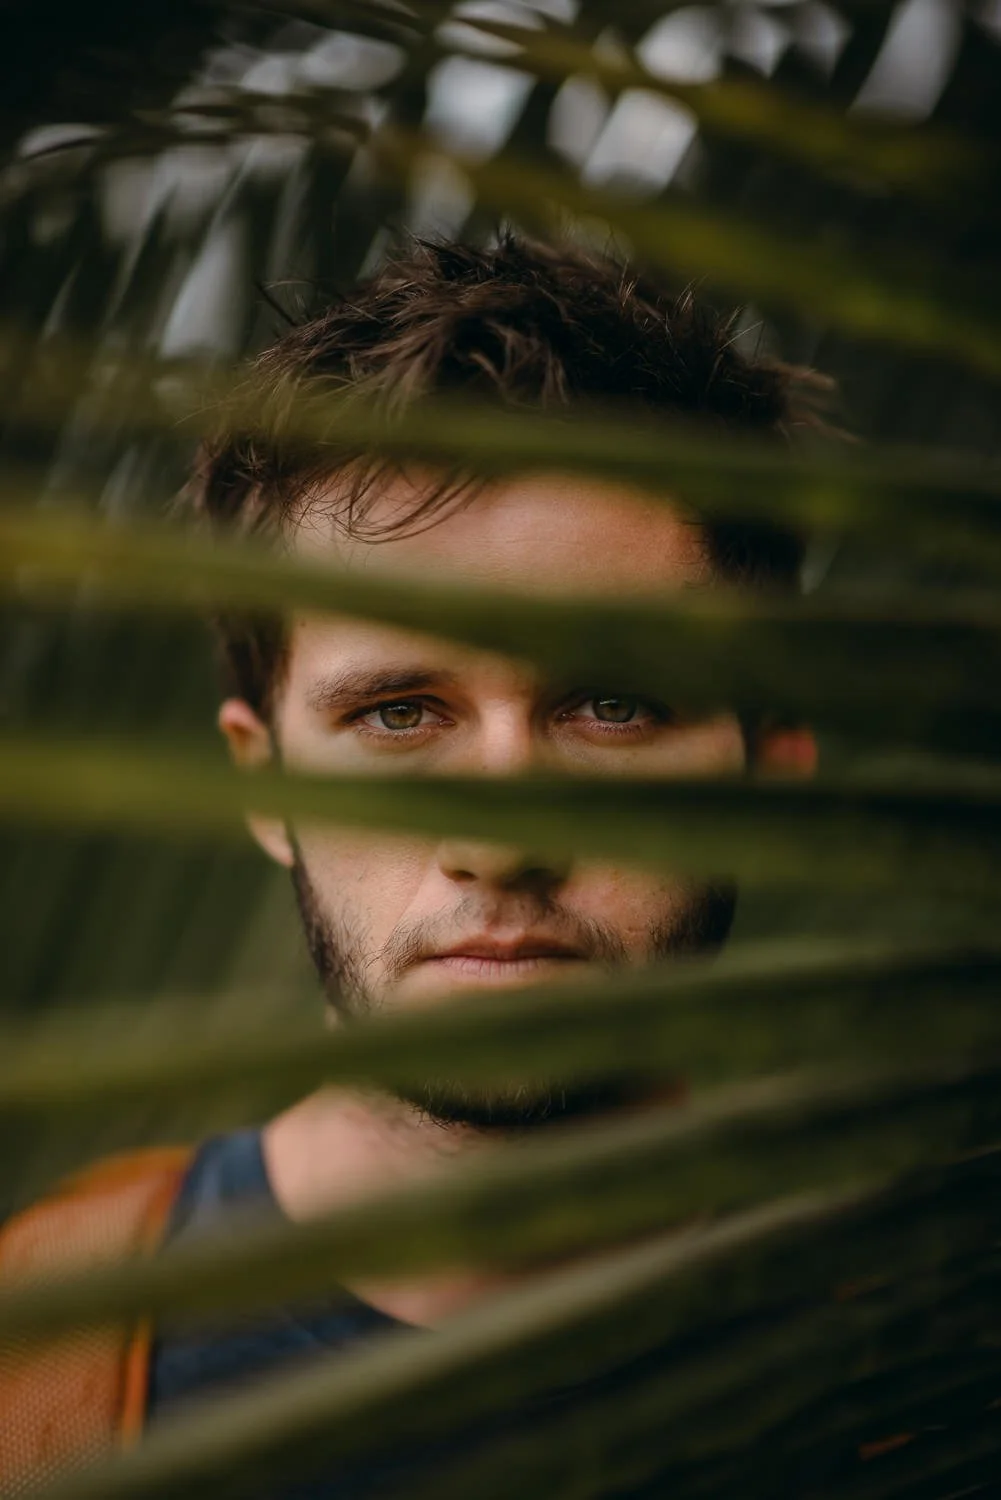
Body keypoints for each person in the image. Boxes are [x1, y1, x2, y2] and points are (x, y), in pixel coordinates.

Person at [0, 234, 821, 1495]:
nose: (497, 834)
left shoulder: (942, 1351)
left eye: (612, 705)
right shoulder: (29, 1362)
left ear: (772, 769)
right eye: (397, 713)